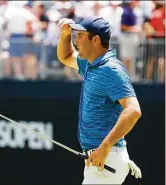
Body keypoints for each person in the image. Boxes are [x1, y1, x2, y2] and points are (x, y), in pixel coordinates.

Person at [57, 17, 142, 184]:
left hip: (106, 159)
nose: (76, 40)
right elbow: (66, 56)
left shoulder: (110, 69)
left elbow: (133, 110)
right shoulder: (91, 63)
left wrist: (105, 147)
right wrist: (65, 34)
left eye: (80, 35)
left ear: (95, 39)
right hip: (101, 160)